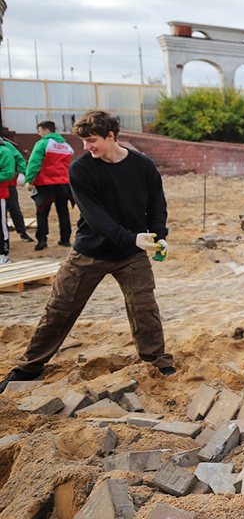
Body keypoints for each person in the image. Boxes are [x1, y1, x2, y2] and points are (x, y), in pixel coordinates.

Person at [0, 110, 175, 392]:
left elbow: (156, 204)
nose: (86, 147)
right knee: (59, 309)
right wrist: (133, 239)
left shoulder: (143, 165)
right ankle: (29, 366)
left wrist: (161, 236)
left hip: (131, 253)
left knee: (145, 309)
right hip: (89, 252)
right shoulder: (81, 168)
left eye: (92, 140)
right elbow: (95, 218)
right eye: (82, 141)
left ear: (111, 136)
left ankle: (157, 361)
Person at [25, 120, 74, 251]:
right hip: (63, 183)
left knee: (42, 212)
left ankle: (42, 240)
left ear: (47, 131)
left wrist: (29, 179)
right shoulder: (66, 146)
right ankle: (65, 239)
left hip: (45, 184)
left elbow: (34, 163)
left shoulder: (42, 143)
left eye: (40, 131)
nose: (39, 134)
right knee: (63, 211)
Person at [2, 138, 34, 243]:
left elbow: (19, 159)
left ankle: (22, 232)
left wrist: (21, 172)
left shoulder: (6, 146)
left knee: (14, 208)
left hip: (8, 184)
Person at [0, 142, 15, 264]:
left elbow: (8, 173)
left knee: (1, 224)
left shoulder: (4, 151)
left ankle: (3, 253)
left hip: (0, 194)